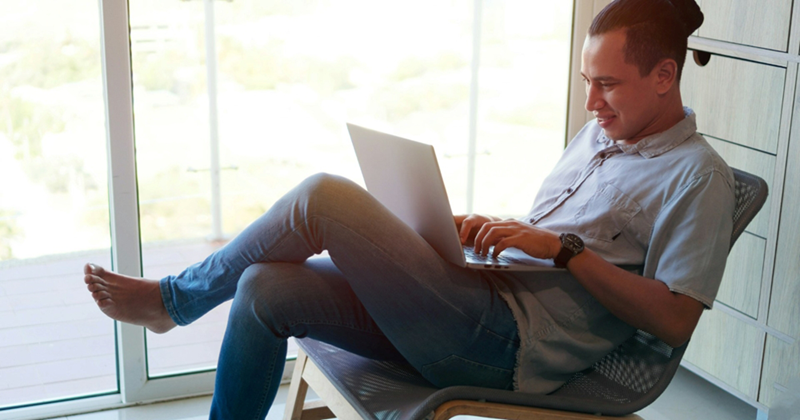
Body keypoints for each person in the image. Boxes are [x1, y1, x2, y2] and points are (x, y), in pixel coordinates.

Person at [83, 0, 735, 418]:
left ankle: (176, 302)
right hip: (476, 299)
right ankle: (183, 308)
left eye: (608, 84)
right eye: (587, 81)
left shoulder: (698, 179)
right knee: (264, 287)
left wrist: (563, 249)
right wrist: (489, 233)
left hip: (506, 346)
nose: (591, 102)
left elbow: (674, 320)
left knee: (322, 196)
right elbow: (553, 244)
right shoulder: (600, 135)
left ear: (664, 76)